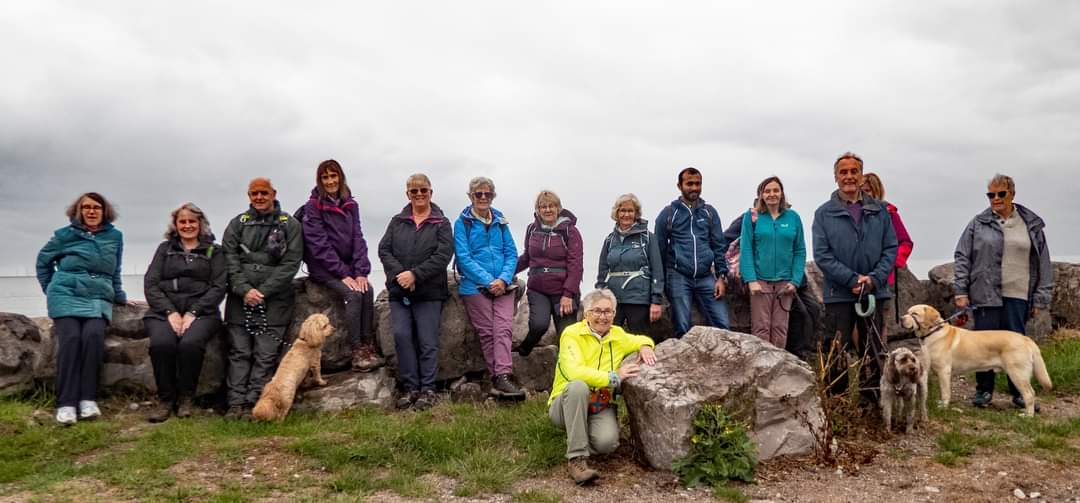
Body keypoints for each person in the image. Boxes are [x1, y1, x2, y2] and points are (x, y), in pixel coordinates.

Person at [954, 174, 1052, 410]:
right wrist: (960, 290)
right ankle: (983, 392)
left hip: (1018, 294)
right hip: (985, 294)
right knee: (983, 346)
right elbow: (962, 256)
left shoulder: (1031, 224)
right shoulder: (978, 223)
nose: (995, 199)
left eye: (1001, 194)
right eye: (991, 194)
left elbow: (1044, 263)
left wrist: (1041, 297)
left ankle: (1020, 393)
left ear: (1012, 194)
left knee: (1015, 347)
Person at [36, 192, 129, 425]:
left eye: (96, 207)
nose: (91, 211)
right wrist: (53, 290)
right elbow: (43, 263)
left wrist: (120, 296)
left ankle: (88, 400)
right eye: (86, 207)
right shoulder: (64, 236)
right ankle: (66, 403)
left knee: (93, 337)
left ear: (104, 211)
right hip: (65, 295)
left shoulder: (115, 236)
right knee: (71, 340)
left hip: (97, 297)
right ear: (78, 211)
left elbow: (115, 270)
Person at [548, 288, 657, 485]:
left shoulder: (618, 335)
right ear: (586, 313)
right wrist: (614, 378)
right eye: (597, 311)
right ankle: (577, 460)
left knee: (607, 443)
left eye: (608, 311)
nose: (603, 316)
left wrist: (645, 346)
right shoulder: (571, 334)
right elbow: (574, 372)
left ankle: (578, 434)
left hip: (598, 404)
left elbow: (641, 339)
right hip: (565, 403)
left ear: (614, 314)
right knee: (578, 387)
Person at [812, 152, 898, 397]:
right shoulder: (823, 213)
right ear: (836, 177)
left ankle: (871, 407)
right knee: (836, 350)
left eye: (853, 172)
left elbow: (891, 247)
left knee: (873, 350)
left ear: (861, 176)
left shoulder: (880, 211)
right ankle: (836, 407)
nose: (849, 176)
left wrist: (873, 279)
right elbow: (822, 254)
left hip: (874, 292)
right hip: (838, 294)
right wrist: (851, 279)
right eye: (843, 172)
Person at [222, 177, 303, 420]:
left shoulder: (290, 224)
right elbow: (229, 259)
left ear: (273, 193)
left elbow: (291, 263)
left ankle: (255, 403)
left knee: (265, 355)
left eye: (263, 193)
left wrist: (264, 291)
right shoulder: (238, 224)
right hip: (240, 300)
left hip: (275, 302)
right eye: (254, 194)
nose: (259, 198)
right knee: (239, 352)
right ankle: (235, 404)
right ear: (249, 196)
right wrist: (244, 289)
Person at [142, 203, 227, 422]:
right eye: (183, 221)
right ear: (176, 225)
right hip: (164, 310)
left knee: (190, 344)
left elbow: (219, 287)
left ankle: (186, 398)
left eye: (192, 221)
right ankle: (166, 400)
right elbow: (151, 284)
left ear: (200, 223)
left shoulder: (214, 251)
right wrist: (170, 312)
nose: (187, 225)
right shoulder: (165, 249)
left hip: (203, 312)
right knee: (162, 344)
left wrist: (193, 312)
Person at [378, 174, 454, 410]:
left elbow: (443, 255)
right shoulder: (397, 221)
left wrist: (416, 275)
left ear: (431, 192)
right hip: (400, 292)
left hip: (429, 292)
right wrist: (402, 274)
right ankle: (411, 388)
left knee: (427, 340)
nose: (419, 195)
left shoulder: (441, 223)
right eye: (414, 191)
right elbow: (384, 250)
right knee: (401, 337)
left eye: (423, 190)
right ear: (407, 194)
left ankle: (428, 390)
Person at [300, 159, 383, 372]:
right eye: (325, 177)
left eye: (333, 176)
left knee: (367, 288)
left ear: (340, 177)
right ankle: (357, 351)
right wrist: (344, 274)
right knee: (354, 295)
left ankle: (367, 345)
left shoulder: (350, 204)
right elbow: (319, 245)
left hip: (346, 266)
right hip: (324, 268)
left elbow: (358, 238)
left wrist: (361, 272)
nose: (330, 181)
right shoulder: (313, 206)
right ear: (320, 180)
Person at [454, 176, 524, 398]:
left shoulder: (500, 220)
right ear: (471, 196)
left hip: (503, 286)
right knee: (487, 332)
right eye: (478, 194)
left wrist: (503, 279)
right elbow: (463, 258)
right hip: (474, 286)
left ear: (493, 196)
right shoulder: (462, 223)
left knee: (503, 328)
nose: (483, 198)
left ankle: (501, 377)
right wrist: (488, 281)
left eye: (487, 194)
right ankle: (500, 379)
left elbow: (511, 253)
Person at [655, 167, 730, 338]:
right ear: (679, 186)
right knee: (682, 326)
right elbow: (659, 249)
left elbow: (719, 245)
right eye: (689, 184)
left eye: (698, 183)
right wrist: (662, 282)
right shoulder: (668, 214)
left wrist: (721, 277)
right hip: (678, 275)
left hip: (705, 276)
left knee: (723, 325)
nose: (694, 188)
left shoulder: (709, 212)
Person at [740, 176, 806, 349]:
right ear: (761, 195)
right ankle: (761, 370)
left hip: (785, 283)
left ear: (782, 193)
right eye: (767, 191)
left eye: (776, 190)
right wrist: (751, 280)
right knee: (760, 329)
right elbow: (746, 249)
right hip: (760, 281)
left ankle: (778, 371)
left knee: (780, 328)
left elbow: (799, 251)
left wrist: (795, 280)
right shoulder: (752, 216)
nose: (772, 194)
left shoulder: (793, 217)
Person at [514, 190, 584, 355]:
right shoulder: (532, 229)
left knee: (567, 336)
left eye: (551, 206)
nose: (547, 210)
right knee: (538, 325)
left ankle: (569, 374)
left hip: (563, 292)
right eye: (543, 207)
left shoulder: (570, 231)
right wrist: (505, 272)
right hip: (538, 288)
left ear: (558, 208)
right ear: (538, 210)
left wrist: (568, 294)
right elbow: (526, 257)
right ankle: (522, 352)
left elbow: (576, 265)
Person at [596, 193, 664, 338]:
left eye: (630, 211)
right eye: (622, 211)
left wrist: (656, 301)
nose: (626, 214)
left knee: (638, 340)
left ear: (636, 213)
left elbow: (657, 269)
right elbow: (602, 270)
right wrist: (599, 296)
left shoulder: (647, 237)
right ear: (617, 213)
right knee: (609, 339)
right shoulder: (610, 240)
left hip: (638, 299)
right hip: (613, 300)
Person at [862, 172, 915, 333]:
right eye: (862, 190)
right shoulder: (851, 214)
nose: (865, 194)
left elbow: (905, 242)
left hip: (883, 278)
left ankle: (879, 355)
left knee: (880, 323)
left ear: (876, 191)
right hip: (857, 276)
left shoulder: (889, 213)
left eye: (868, 190)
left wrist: (892, 262)